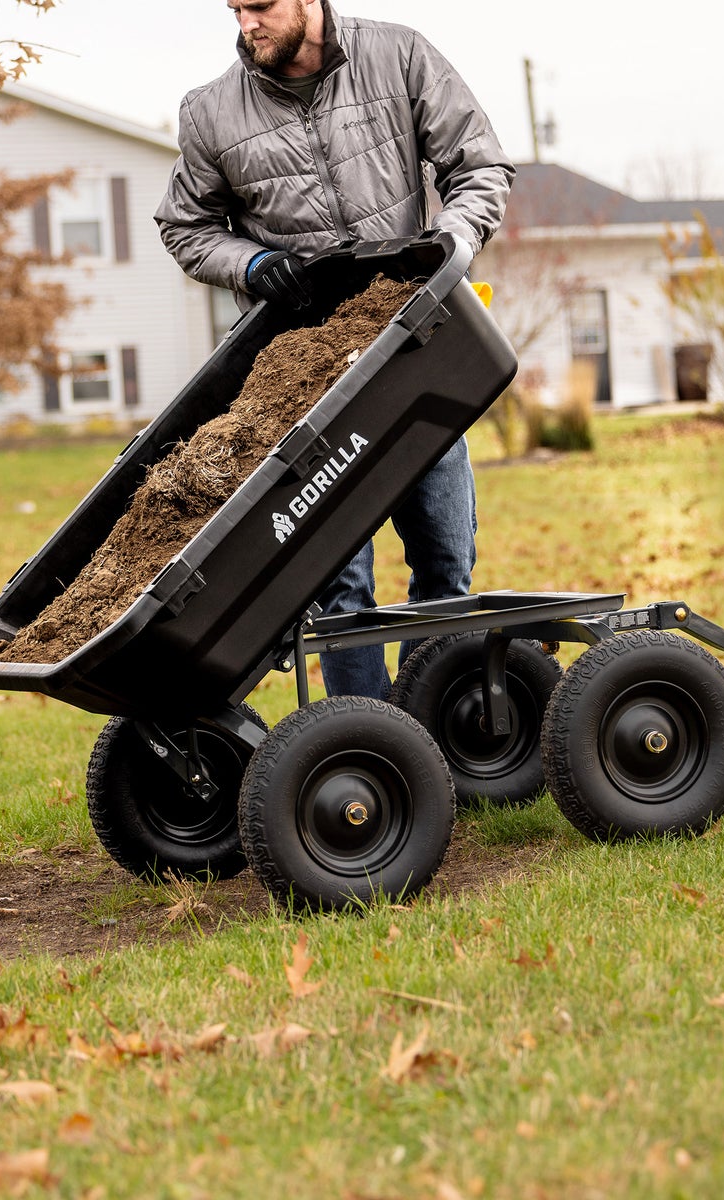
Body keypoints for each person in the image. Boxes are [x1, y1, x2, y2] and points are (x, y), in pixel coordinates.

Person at [154, 0, 515, 699]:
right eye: (234, 9)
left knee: (445, 561)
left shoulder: (398, 56)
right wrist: (253, 265)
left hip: (416, 354)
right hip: (305, 382)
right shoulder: (210, 112)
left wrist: (451, 244)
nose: (246, 24)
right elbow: (185, 227)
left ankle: (432, 726)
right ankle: (367, 743)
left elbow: (481, 166)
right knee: (337, 587)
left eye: (260, 6)